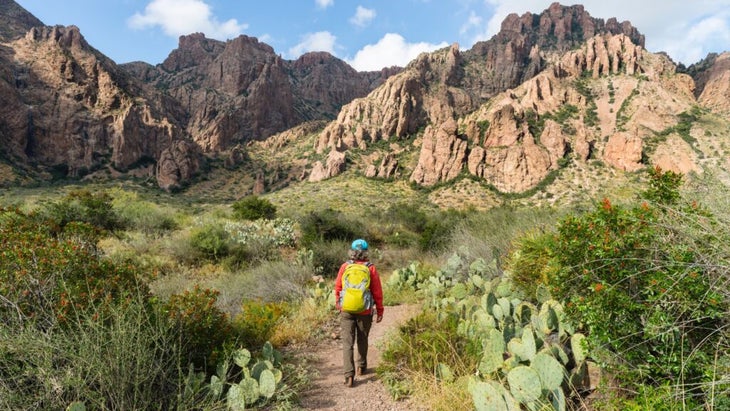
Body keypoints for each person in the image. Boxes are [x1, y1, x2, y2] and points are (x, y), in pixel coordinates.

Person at [334, 239, 383, 387]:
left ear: (352, 251)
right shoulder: (370, 268)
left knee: (347, 342)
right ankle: (361, 366)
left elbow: (338, 287)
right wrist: (379, 310)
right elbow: (377, 291)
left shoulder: (345, 266)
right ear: (366, 252)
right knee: (362, 338)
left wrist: (339, 304)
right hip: (365, 309)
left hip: (346, 309)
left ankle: (349, 375)